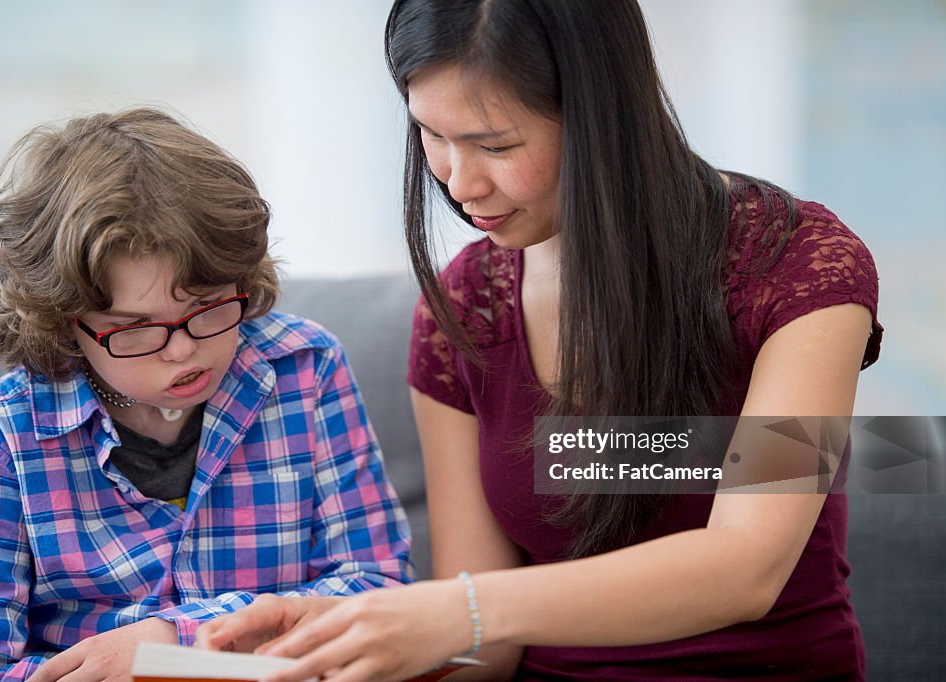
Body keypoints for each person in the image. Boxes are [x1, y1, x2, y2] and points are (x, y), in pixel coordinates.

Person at [196, 1, 882, 680]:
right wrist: (331, 648)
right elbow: (485, 656)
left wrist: (460, 608)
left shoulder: (799, 266)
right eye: (432, 135)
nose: (459, 185)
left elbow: (747, 567)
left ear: (602, 117)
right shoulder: (465, 307)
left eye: (496, 145)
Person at [0, 107, 412, 681]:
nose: (182, 350)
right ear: (64, 324)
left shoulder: (305, 370)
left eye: (206, 308)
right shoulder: (1, 436)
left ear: (243, 283)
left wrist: (175, 639)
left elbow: (380, 587)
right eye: (135, 328)